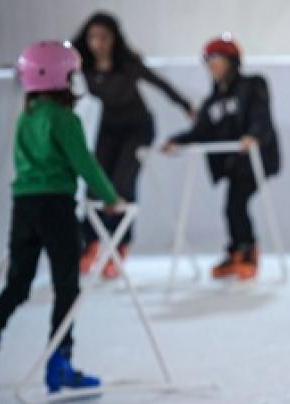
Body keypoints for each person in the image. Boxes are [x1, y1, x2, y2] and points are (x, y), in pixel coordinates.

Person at [0, 41, 125, 400]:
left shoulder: (27, 117)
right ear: (62, 76)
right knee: (67, 285)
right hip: (55, 207)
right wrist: (111, 198)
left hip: (24, 205)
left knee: (18, 283)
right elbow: (85, 164)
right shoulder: (65, 119)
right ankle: (58, 363)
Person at [71, 12, 192, 279]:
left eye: (103, 37)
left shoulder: (128, 64)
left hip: (137, 128)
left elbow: (161, 84)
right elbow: (58, 75)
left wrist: (187, 106)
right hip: (107, 130)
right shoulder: (82, 66)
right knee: (95, 183)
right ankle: (90, 244)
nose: (97, 43)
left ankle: (119, 246)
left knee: (123, 185)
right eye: (92, 37)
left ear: (114, 39)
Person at [162, 34, 280, 281]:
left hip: (255, 158)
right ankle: (237, 249)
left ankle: (247, 251)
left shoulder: (253, 85)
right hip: (235, 163)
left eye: (218, 59)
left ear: (232, 61)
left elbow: (262, 116)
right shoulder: (213, 100)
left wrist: (253, 136)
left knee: (236, 204)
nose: (213, 66)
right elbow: (201, 131)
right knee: (231, 207)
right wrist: (176, 142)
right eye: (209, 61)